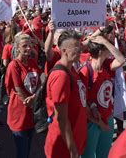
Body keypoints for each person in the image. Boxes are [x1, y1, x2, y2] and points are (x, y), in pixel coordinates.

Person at [81, 35, 126, 158]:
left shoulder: (107, 65)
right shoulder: (86, 71)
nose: (110, 50)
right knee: (88, 155)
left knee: (104, 154)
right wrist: (100, 123)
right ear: (101, 51)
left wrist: (105, 42)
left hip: (108, 117)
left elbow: (121, 59)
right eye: (107, 47)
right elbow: (83, 103)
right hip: (92, 122)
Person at [44, 30, 87, 158]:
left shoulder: (71, 69)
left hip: (75, 138)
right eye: (76, 48)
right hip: (63, 149)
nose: (80, 51)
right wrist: (72, 149)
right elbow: (61, 118)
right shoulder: (61, 76)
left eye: (80, 47)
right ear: (63, 51)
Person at [5, 34, 41, 158]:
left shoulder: (32, 62)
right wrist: (31, 101)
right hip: (19, 113)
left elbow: (40, 82)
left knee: (28, 147)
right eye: (24, 46)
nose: (28, 48)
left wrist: (36, 97)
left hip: (31, 113)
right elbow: (18, 89)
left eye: (29, 45)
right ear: (17, 47)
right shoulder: (14, 65)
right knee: (22, 150)